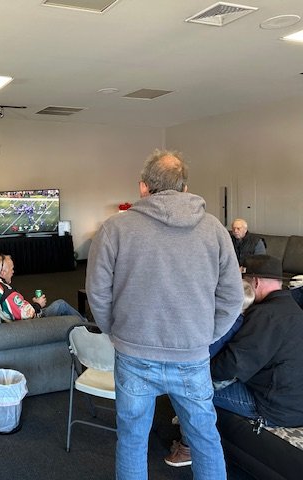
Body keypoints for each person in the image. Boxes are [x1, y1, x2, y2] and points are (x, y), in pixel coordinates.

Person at [86, 149, 244, 480]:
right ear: (185, 188)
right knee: (205, 441)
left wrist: (116, 331)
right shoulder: (215, 230)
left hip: (133, 353)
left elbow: (97, 293)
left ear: (143, 187)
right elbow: (232, 296)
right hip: (191, 356)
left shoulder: (114, 228)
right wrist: (205, 335)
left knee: (132, 441)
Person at [165, 278, 255, 468]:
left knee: (188, 395)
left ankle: (187, 447)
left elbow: (207, 351)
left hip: (214, 373)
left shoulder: (227, 324)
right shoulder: (241, 321)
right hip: (219, 370)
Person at [211, 254, 303, 428]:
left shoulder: (265, 314)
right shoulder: (294, 309)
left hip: (275, 409)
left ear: (255, 283)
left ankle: (189, 442)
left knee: (188, 389)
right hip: (294, 404)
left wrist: (199, 373)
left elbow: (233, 364)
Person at [0, 254, 84, 321]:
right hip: (30, 324)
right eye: (12, 269)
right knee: (61, 305)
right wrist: (38, 304)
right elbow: (29, 315)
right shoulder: (6, 293)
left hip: (14, 317)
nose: (13, 272)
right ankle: (86, 325)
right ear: (3, 272)